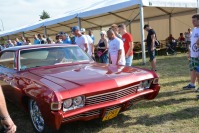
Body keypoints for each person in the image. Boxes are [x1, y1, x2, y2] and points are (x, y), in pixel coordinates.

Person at [183, 14, 199, 90]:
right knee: (193, 69)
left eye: (194, 21)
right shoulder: (195, 29)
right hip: (193, 53)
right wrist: (190, 52)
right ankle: (192, 84)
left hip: (198, 54)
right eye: (192, 21)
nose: (193, 22)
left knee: (198, 71)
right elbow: (192, 42)